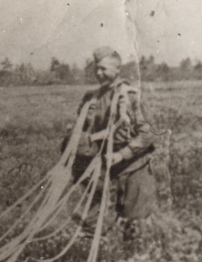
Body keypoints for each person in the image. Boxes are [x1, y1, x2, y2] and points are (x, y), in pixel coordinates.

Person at [64, 46, 157, 240]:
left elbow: (147, 135)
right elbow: (79, 131)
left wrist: (122, 154)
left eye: (104, 69)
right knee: (92, 216)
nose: (99, 73)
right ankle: (90, 251)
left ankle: (132, 258)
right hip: (103, 162)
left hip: (134, 163)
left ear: (117, 70)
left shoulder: (131, 97)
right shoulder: (90, 98)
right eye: (97, 68)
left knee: (134, 220)